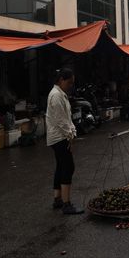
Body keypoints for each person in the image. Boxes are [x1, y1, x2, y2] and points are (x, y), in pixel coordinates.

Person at [46, 68, 84, 215]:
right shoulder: (56, 96)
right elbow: (61, 121)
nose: (70, 86)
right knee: (68, 167)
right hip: (59, 137)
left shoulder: (60, 94)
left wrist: (72, 132)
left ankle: (58, 199)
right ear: (61, 80)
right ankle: (66, 204)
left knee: (61, 166)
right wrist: (70, 135)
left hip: (60, 136)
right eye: (69, 83)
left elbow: (66, 119)